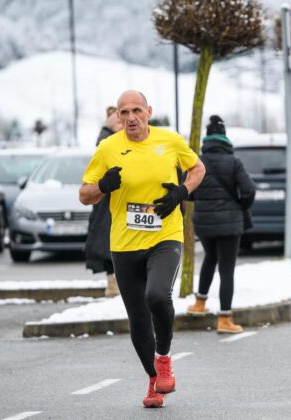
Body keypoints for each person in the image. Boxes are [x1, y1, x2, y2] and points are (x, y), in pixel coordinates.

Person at [79, 90, 206, 408]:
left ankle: (163, 358)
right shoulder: (108, 148)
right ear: (117, 117)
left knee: (157, 295)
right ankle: (153, 381)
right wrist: (102, 186)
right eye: (124, 112)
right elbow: (84, 194)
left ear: (149, 111)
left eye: (136, 110)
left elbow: (198, 169)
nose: (131, 117)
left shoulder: (170, 140)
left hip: (165, 236)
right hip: (124, 244)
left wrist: (181, 192)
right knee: (137, 318)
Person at [185, 115, 256, 333]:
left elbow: (187, 190)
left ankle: (200, 303)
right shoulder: (233, 162)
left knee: (210, 257)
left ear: (207, 139)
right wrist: (240, 205)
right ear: (225, 138)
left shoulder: (196, 161)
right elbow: (249, 190)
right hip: (230, 223)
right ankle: (224, 319)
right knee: (226, 270)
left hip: (203, 222)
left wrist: (203, 201)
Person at [84, 106, 124, 296]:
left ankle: (115, 284)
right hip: (107, 202)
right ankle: (113, 285)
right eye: (118, 122)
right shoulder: (108, 144)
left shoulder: (112, 140)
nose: (122, 125)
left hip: (110, 203)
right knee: (109, 243)